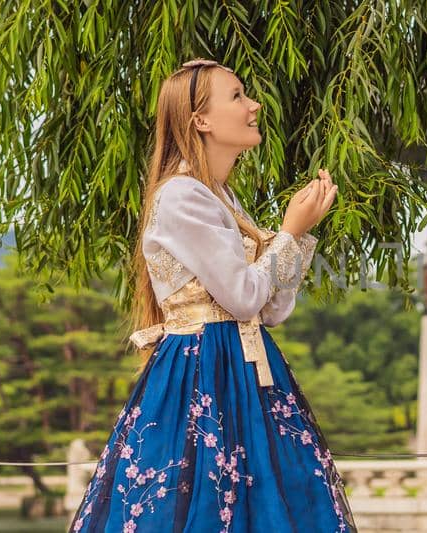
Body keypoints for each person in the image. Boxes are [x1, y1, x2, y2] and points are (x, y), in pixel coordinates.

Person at [69, 58, 352, 532]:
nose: (253, 104)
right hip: (201, 368)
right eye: (238, 96)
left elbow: (272, 309)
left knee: (257, 502)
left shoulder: (220, 197)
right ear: (200, 120)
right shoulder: (182, 196)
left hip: (242, 363)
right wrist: (288, 232)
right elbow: (244, 298)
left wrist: (298, 238)